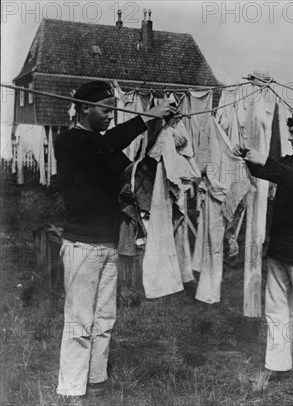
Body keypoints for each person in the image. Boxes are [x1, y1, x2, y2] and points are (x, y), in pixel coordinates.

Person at [54, 81, 174, 398]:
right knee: (79, 321)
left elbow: (134, 172)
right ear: (84, 109)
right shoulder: (69, 141)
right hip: (81, 246)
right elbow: (106, 146)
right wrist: (147, 115)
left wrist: (161, 133)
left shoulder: (105, 146)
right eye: (106, 110)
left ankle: (95, 381)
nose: (111, 116)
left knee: (105, 318)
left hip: (109, 244)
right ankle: (71, 390)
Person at [234, 106, 293, 395]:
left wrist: (267, 162)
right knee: (277, 310)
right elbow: (272, 169)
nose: (290, 138)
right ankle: (277, 364)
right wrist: (249, 156)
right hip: (280, 247)